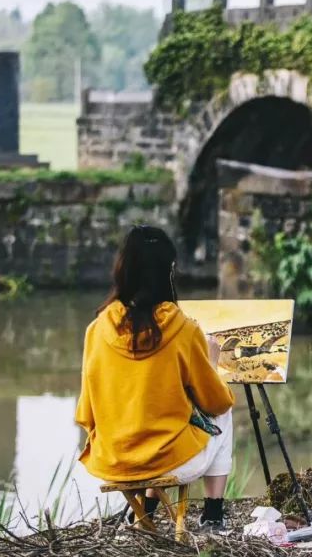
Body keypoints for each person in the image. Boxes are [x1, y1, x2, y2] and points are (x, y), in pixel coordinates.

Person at [75, 225, 235, 531]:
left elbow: (85, 414)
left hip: (112, 462)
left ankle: (144, 510)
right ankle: (214, 514)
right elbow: (215, 402)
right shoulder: (185, 330)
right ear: (168, 272)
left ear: (122, 269)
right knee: (224, 410)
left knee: (152, 421)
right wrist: (212, 363)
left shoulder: (96, 330)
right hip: (169, 462)